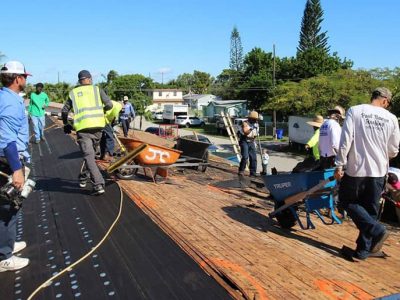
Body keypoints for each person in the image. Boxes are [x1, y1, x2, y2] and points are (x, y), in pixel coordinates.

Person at [335, 87, 400, 260]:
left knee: (346, 202)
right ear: (385, 100)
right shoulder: (391, 118)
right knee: (370, 210)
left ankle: (371, 238)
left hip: (356, 169)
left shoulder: (355, 111)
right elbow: (393, 150)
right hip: (379, 171)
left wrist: (339, 164)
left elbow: (345, 140)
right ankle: (363, 250)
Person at [0, 61, 31, 271]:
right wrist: (17, 169)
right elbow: (6, 139)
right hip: (7, 159)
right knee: (7, 207)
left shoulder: (6, 97)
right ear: (18, 79)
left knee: (10, 206)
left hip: (9, 157)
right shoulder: (10, 103)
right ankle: (4, 256)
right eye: (25, 77)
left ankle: (6, 244)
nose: (26, 80)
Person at [61, 70, 113, 195]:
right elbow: (110, 105)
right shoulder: (97, 89)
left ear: (80, 81)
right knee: (90, 156)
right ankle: (90, 180)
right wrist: (102, 111)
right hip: (98, 129)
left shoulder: (73, 93)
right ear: (89, 79)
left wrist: (66, 124)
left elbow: (64, 111)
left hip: (83, 129)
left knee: (89, 156)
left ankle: (98, 183)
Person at [238, 111, 259, 177]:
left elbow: (255, 134)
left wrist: (254, 142)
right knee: (245, 156)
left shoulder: (256, 124)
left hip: (251, 141)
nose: (255, 120)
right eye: (254, 119)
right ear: (250, 118)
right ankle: (241, 170)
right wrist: (252, 128)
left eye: (256, 119)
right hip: (244, 140)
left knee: (253, 158)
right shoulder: (245, 123)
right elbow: (245, 132)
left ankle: (253, 173)